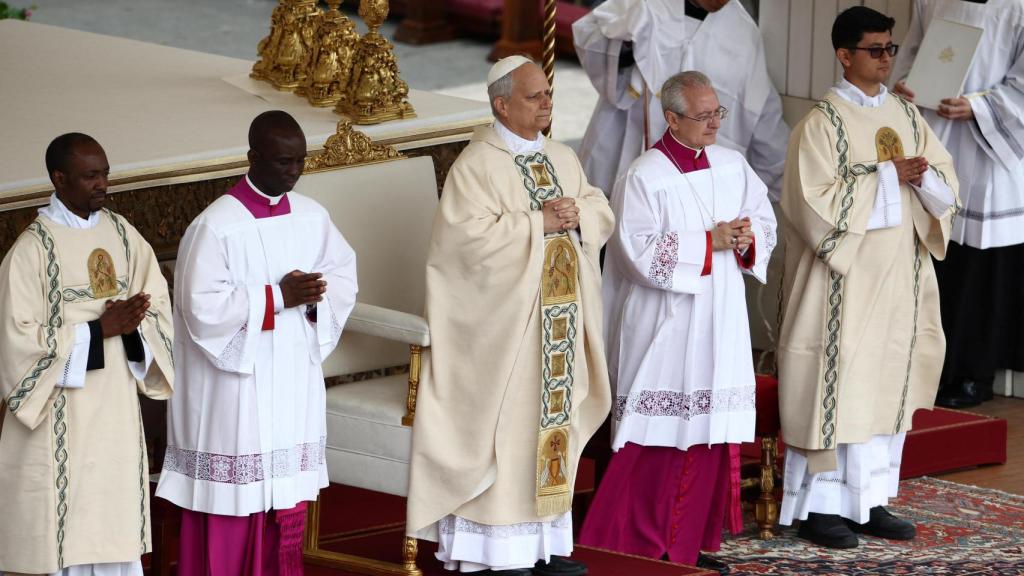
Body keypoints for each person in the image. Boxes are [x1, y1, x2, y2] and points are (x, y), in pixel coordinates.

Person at [405, 56, 614, 576]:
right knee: (507, 428)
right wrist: (536, 223)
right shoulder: (477, 166)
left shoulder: (562, 156)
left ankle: (541, 545)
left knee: (549, 431)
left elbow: (597, 206)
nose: (547, 103)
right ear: (501, 104)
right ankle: (495, 550)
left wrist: (579, 215)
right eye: (534, 96)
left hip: (557, 326)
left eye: (548, 94)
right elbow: (461, 245)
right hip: (504, 332)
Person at [578, 71, 776, 576]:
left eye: (717, 113)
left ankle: (685, 545)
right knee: (655, 436)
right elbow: (634, 253)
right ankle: (625, 545)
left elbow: (763, 220)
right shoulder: (645, 176)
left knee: (708, 433)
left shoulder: (732, 164)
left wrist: (748, 238)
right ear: (671, 118)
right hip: (665, 325)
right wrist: (709, 242)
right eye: (703, 115)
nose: (713, 123)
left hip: (721, 318)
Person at [777, 7, 959, 549]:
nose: (885, 59)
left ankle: (871, 499)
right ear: (844, 55)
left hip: (899, 277)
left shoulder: (907, 117)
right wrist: (887, 176)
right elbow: (810, 203)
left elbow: (946, 181)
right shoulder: (821, 124)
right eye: (874, 50)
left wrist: (924, 180)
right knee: (839, 383)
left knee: (883, 386)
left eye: (890, 49)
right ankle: (823, 507)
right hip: (845, 281)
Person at [156, 110, 358, 574]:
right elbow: (198, 307)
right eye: (283, 162)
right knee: (233, 501)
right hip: (235, 390)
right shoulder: (215, 226)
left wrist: (313, 296)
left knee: (282, 495)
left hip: (289, 378)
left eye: (300, 162)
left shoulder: (313, 216)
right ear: (253, 158)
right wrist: (277, 296)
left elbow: (344, 276)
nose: (293, 172)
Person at [0, 133, 174, 575]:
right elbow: (16, 339)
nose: (102, 184)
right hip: (60, 411)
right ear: (59, 179)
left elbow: (154, 300)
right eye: (90, 176)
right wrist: (97, 330)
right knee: (64, 526)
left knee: (110, 518)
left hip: (114, 404)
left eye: (105, 174)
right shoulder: (31, 251)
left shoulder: (121, 233)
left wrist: (134, 326)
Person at [891, 0, 1024, 408]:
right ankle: (918, 365)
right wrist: (905, 85)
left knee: (977, 269)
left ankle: (970, 373)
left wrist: (981, 107)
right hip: (934, 132)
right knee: (928, 254)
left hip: (989, 152)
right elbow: (912, 50)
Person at [573, 0, 789, 200]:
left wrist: (780, 171)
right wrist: (625, 43)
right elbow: (588, 37)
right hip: (625, 147)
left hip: (698, 176)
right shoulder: (645, 5)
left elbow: (757, 106)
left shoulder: (743, 33)